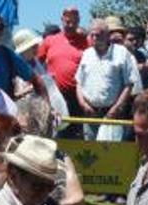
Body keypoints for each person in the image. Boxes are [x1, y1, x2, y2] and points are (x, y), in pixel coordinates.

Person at [75, 18, 137, 140]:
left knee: (112, 153)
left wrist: (116, 108)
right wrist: (83, 104)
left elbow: (129, 84)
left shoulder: (121, 53)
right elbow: (78, 82)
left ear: (107, 35)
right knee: (92, 153)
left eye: (97, 35)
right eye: (91, 35)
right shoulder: (87, 54)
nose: (94, 38)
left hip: (113, 114)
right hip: (90, 113)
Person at [38, 5, 88, 136]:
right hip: (54, 95)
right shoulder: (50, 40)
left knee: (76, 134)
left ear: (79, 21)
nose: (70, 24)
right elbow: (35, 63)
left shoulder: (87, 41)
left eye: (74, 20)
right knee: (54, 132)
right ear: (62, 19)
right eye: (67, 20)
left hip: (79, 97)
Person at [126, 25, 148, 92]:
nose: (134, 42)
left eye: (136, 39)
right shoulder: (121, 55)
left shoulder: (141, 54)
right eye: (130, 40)